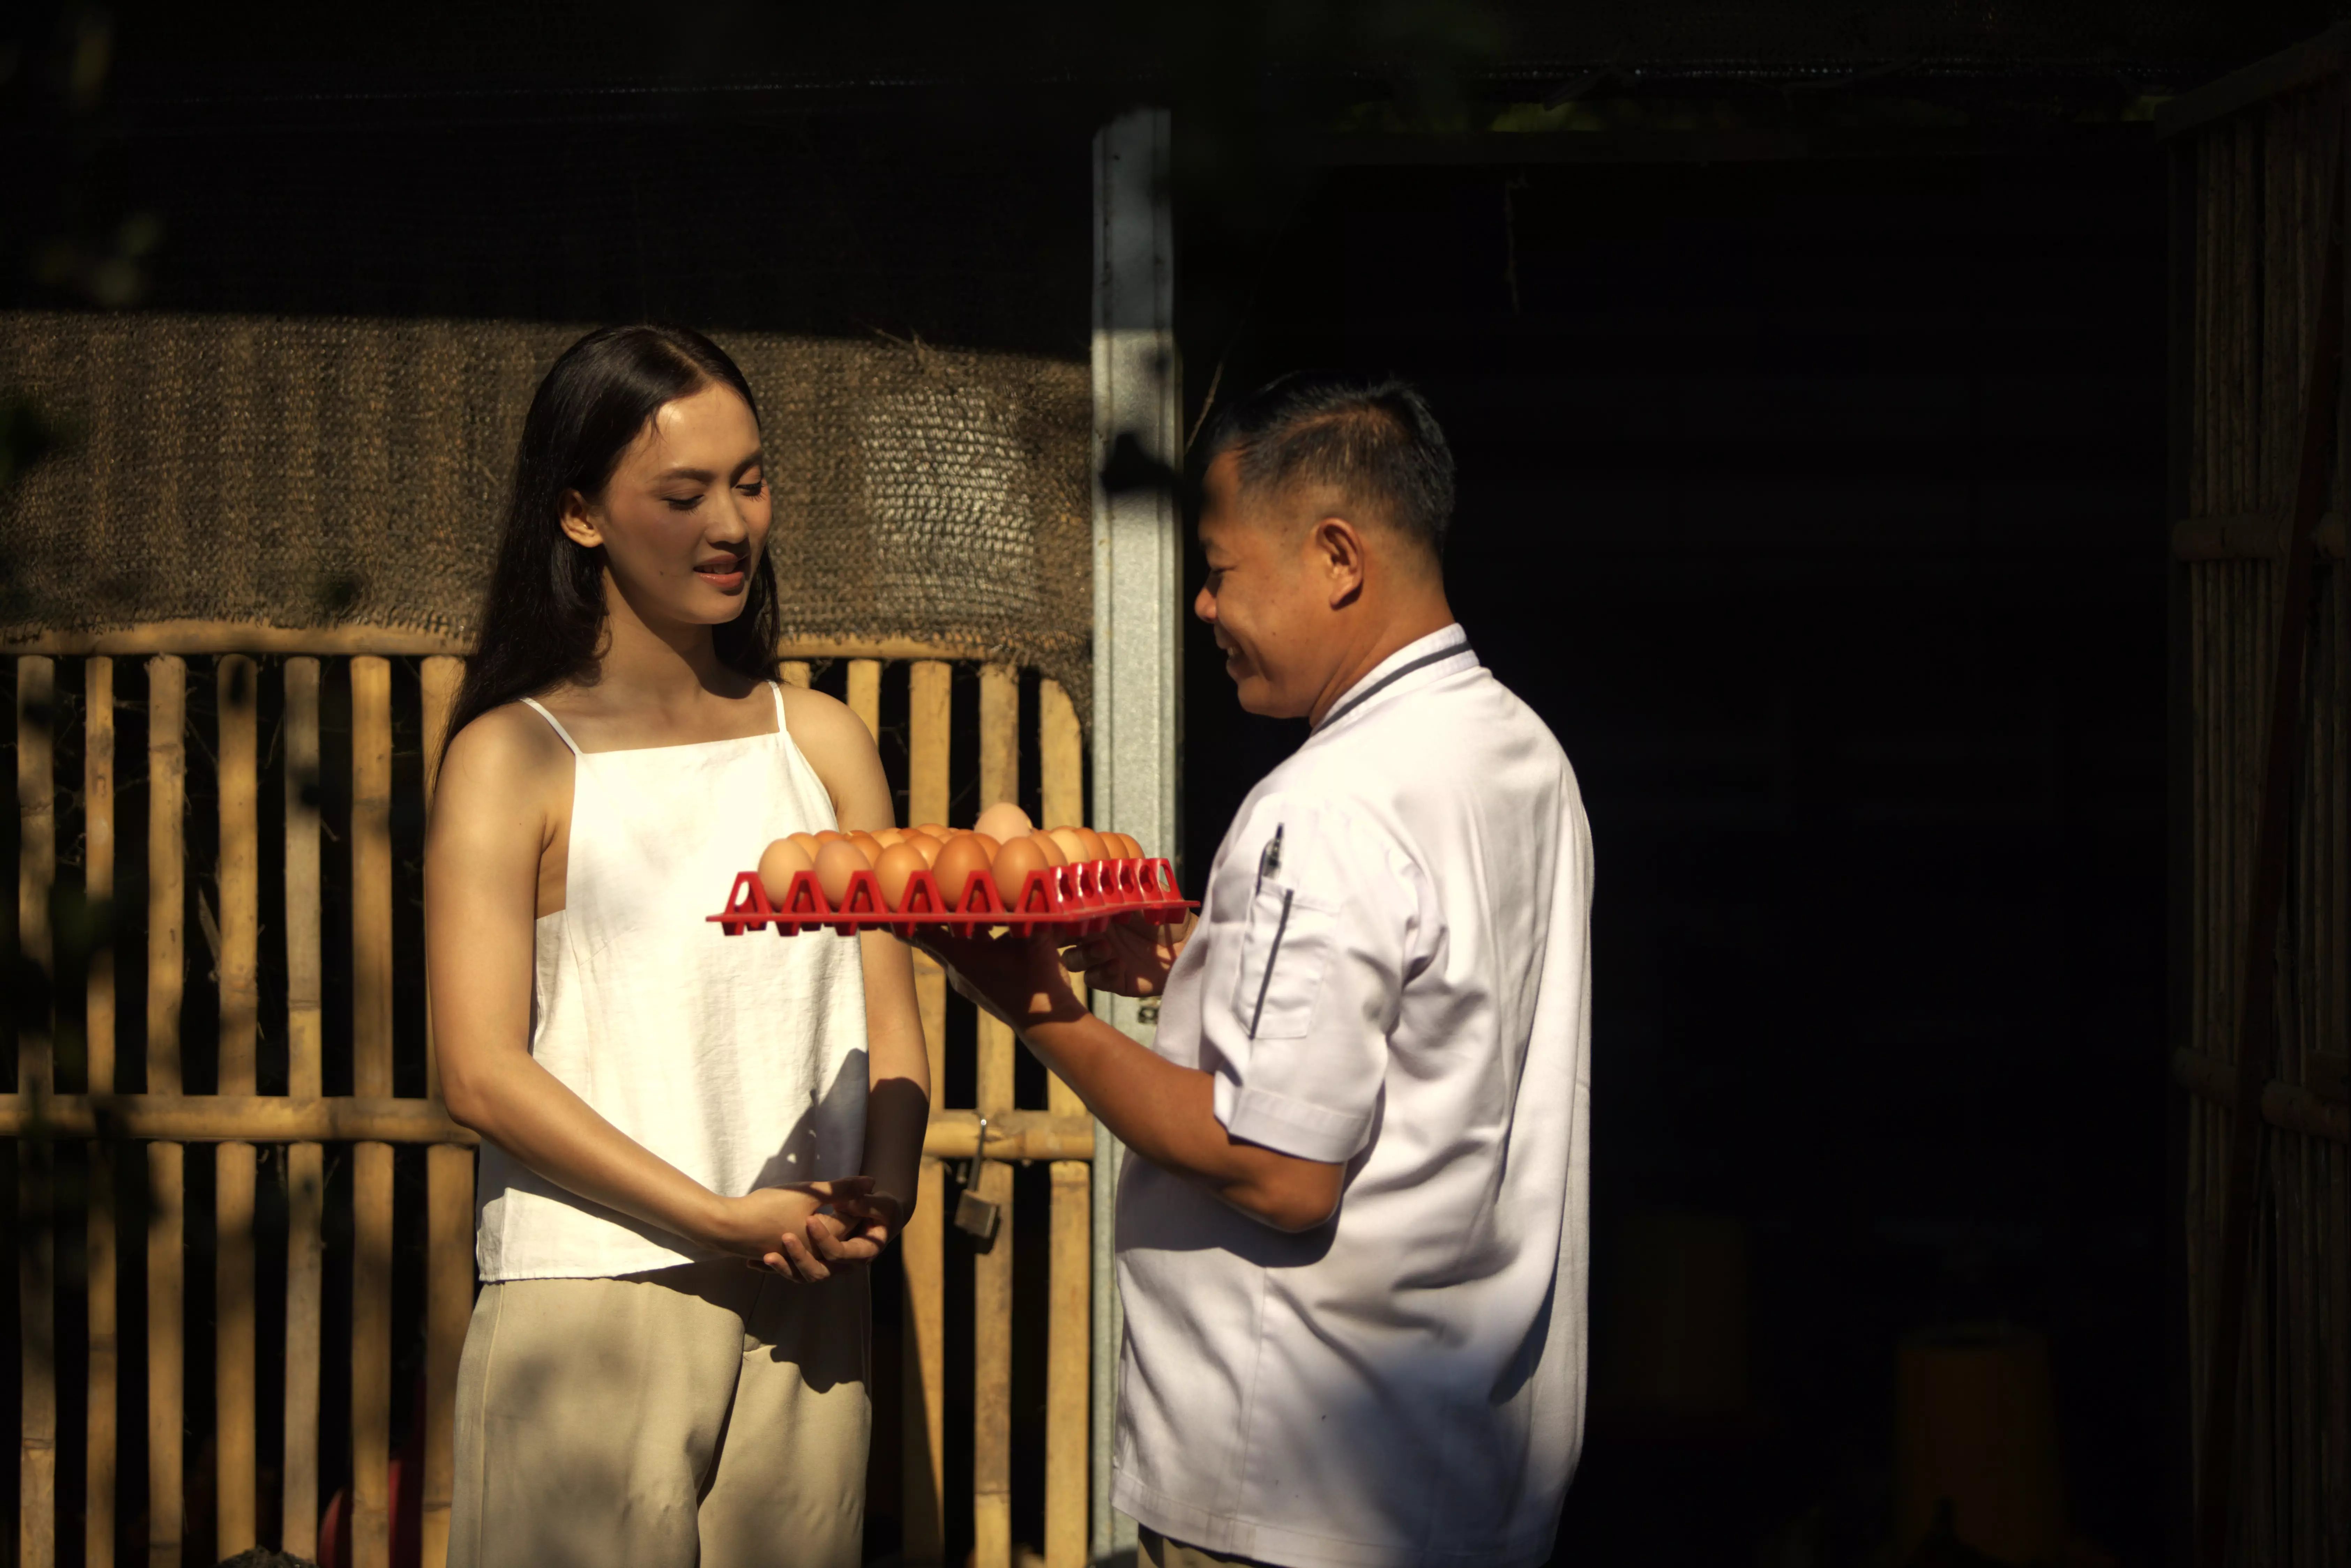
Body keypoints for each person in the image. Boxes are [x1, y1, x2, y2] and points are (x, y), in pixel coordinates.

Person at [931, 372, 1592, 1568]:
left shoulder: (1326, 802)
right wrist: (1201, 966)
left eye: (1220, 568)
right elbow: (1430, 1025)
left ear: (1336, 557)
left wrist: (1027, 998)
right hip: (1458, 1469)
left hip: (1295, 1495)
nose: (1198, 604)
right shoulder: (1520, 753)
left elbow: (1276, 1166)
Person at [424, 325, 929, 1567]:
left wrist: (891, 1185)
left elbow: (889, 1012)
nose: (731, 525)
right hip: (590, 1297)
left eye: (749, 482)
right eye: (684, 493)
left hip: (807, 1297)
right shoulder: (513, 754)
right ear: (582, 516)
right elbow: (478, 1074)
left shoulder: (820, 739)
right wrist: (712, 1216)